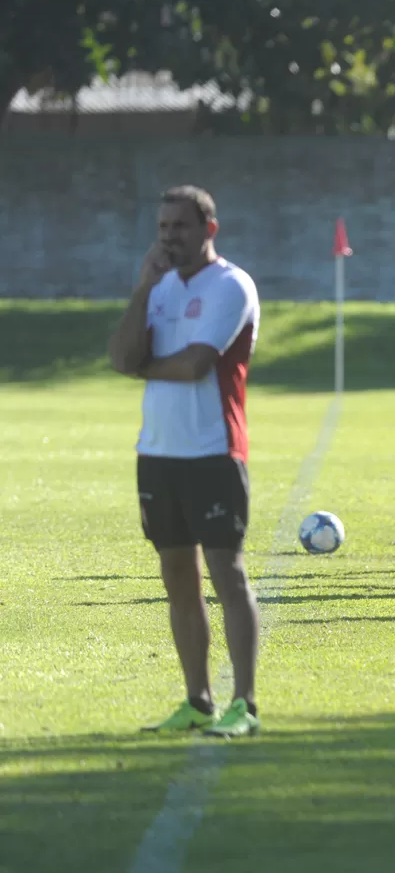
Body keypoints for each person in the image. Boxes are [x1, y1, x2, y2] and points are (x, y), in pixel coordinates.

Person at [107, 186, 263, 738]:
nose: (170, 236)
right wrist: (143, 288)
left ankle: (243, 704)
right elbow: (120, 355)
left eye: (180, 226)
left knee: (227, 574)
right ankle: (197, 701)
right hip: (157, 452)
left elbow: (197, 364)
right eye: (163, 226)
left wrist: (138, 367)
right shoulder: (159, 287)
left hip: (213, 451)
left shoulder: (231, 285)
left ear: (209, 229)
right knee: (178, 579)